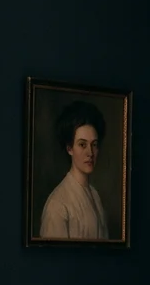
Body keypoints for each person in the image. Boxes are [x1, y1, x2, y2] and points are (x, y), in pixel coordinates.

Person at [38, 101, 109, 240]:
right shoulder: (57, 205)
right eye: (82, 144)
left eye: (94, 145)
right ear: (69, 148)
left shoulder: (95, 195)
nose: (90, 153)